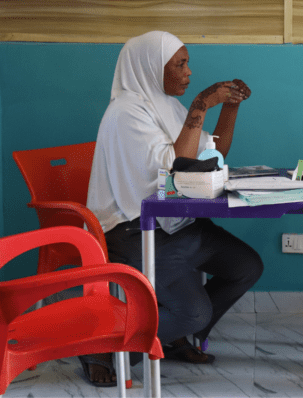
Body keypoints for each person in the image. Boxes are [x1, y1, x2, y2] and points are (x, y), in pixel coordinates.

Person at [83, 31, 264, 386]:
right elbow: (176, 169)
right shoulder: (126, 113)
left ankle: (174, 332)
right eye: (180, 64)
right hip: (134, 229)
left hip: (175, 223)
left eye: (187, 63)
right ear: (151, 67)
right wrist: (201, 104)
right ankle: (103, 350)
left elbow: (214, 153)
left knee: (246, 266)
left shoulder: (163, 104)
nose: (189, 72)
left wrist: (230, 107)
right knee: (194, 313)